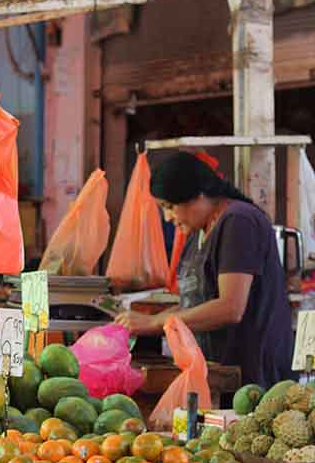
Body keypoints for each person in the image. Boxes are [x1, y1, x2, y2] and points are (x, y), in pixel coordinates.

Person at [116, 151, 293, 388]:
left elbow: (230, 307)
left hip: (253, 376)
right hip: (218, 371)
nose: (167, 218)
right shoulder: (198, 231)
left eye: (169, 206)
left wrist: (157, 322)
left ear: (198, 195)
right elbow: (197, 303)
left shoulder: (238, 222)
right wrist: (151, 320)